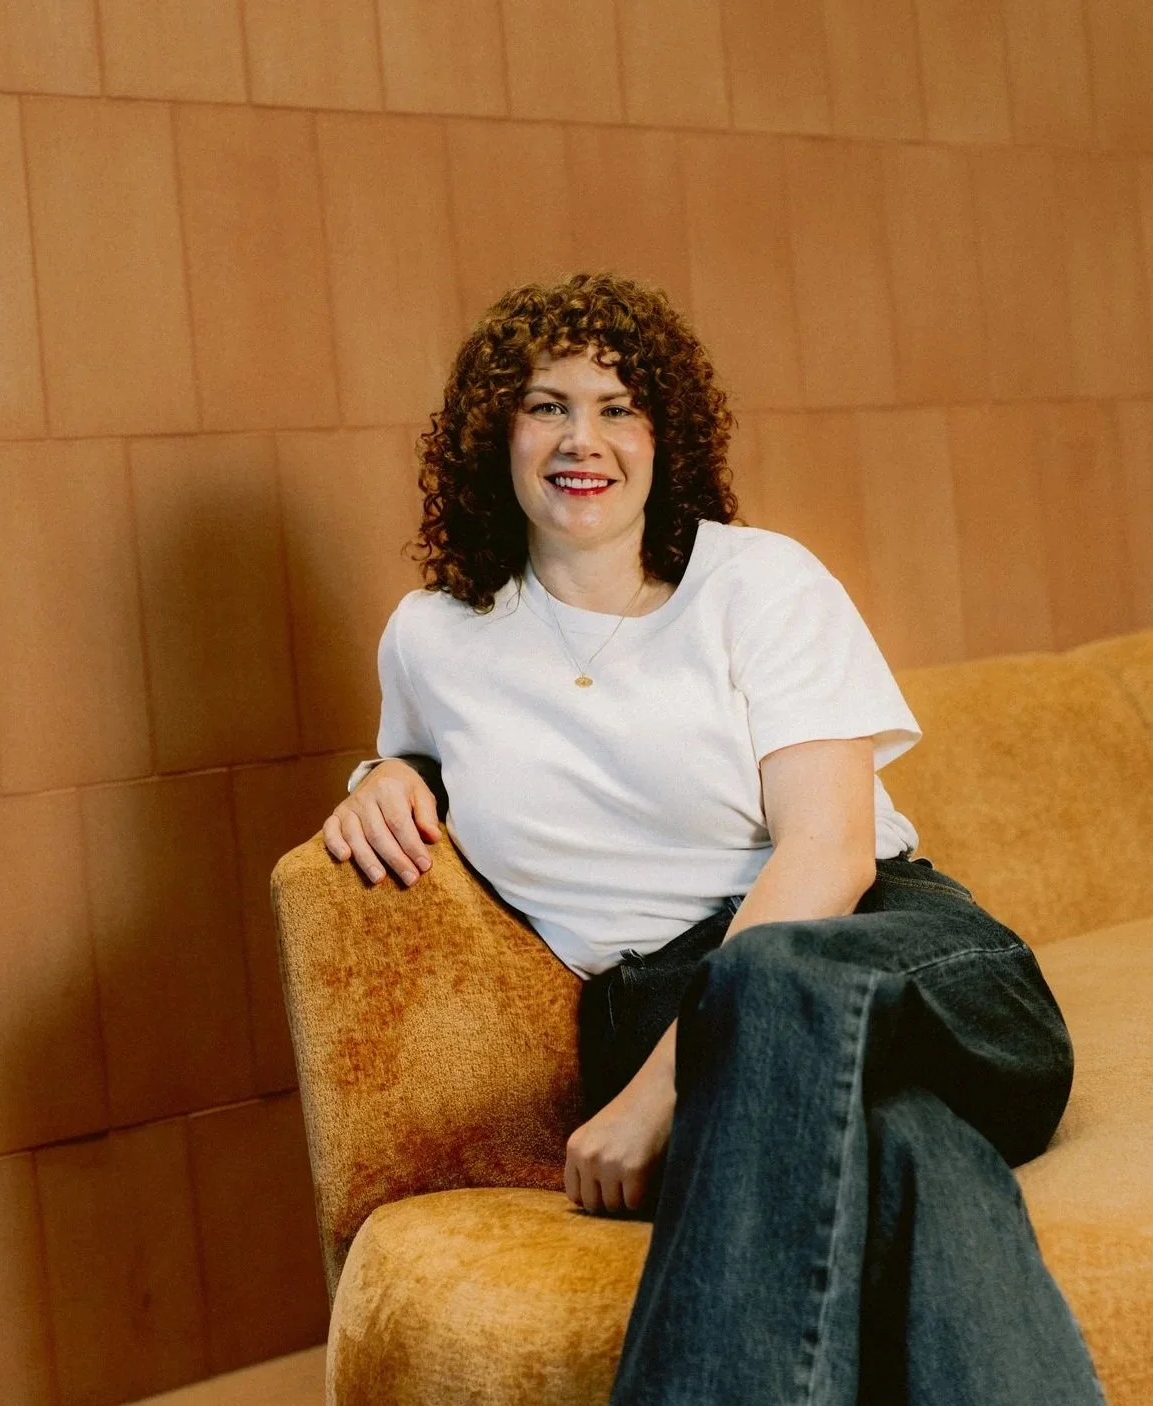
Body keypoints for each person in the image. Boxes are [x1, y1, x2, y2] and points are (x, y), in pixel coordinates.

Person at [318, 271, 1107, 1405]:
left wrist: (651, 1095)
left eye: (617, 406)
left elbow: (828, 853)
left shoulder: (759, 584)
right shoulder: (433, 637)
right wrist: (379, 773)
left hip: (897, 958)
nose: (580, 439)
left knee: (779, 980)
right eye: (547, 405)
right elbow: (426, 760)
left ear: (664, 435)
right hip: (667, 999)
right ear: (494, 430)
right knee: (910, 1150)